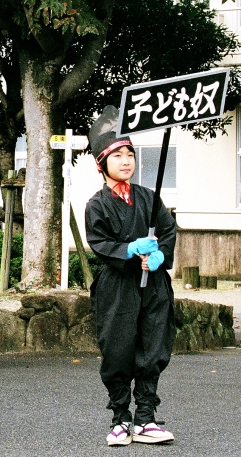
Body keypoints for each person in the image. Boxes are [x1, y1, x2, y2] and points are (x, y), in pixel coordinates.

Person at [84, 106, 176, 446]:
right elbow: (99, 242)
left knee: (153, 346)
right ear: (101, 163)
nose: (126, 161)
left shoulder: (150, 199)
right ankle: (120, 418)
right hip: (118, 288)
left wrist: (159, 255)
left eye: (130, 155)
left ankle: (147, 417)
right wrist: (128, 250)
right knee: (119, 349)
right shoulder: (97, 204)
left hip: (153, 286)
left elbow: (167, 231)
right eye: (117, 155)